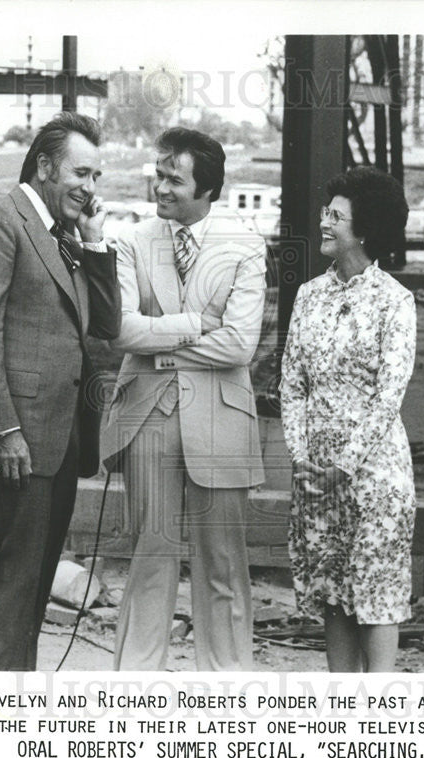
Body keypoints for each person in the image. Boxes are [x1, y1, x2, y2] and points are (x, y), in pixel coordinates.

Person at [0, 112, 121, 670]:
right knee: (12, 583)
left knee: (33, 585)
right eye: (81, 172)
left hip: (58, 440)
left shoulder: (63, 236)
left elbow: (106, 325)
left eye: (96, 176)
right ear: (45, 165)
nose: (89, 188)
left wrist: (95, 244)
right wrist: (2, 430)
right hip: (18, 442)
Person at [100, 127, 266, 671]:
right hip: (147, 416)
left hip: (222, 421)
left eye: (175, 179)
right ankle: (132, 690)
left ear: (207, 189)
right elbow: (120, 331)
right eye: (159, 175)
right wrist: (198, 325)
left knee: (223, 565)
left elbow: (241, 344)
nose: (161, 187)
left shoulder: (244, 246)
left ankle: (227, 691)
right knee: (150, 556)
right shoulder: (130, 241)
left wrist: (162, 345)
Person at [279, 166, 416, 672]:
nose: (324, 222)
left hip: (375, 476)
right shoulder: (309, 296)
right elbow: (291, 382)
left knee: (376, 593)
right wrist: (302, 457)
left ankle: (375, 713)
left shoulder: (395, 302)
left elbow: (388, 396)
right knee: (331, 588)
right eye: (325, 212)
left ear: (363, 230)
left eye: (336, 216)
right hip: (318, 477)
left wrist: (347, 462)